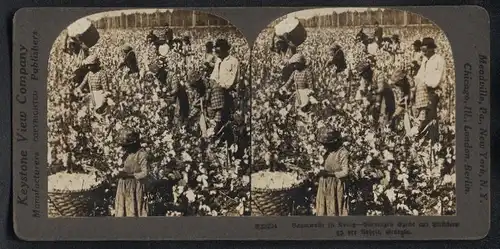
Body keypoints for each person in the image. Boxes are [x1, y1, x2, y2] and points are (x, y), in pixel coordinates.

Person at [414, 37, 446, 141]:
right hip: (424, 90)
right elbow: (419, 75)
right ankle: (425, 137)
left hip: (435, 91)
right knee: (423, 114)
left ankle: (434, 140)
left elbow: (436, 81)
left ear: (431, 49)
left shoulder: (439, 60)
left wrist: (424, 82)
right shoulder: (425, 60)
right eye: (422, 50)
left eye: (425, 50)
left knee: (431, 114)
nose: (423, 52)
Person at [208, 38, 240, 140]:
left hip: (228, 93)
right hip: (218, 93)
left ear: (225, 50)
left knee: (227, 120)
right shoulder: (218, 60)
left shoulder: (233, 61)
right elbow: (213, 76)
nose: (217, 53)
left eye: (218, 51)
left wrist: (220, 86)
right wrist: (213, 84)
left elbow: (232, 80)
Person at [114, 128, 149, 217]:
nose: (125, 148)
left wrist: (130, 175)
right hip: (124, 185)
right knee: (122, 210)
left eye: (127, 146)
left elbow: (145, 173)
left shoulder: (141, 154)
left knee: (133, 209)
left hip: (135, 186)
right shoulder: (127, 153)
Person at [315, 127, 349, 216]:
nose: (324, 146)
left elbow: (345, 172)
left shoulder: (342, 153)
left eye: (326, 144)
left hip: (335, 185)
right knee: (323, 209)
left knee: (334, 208)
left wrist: (329, 174)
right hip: (324, 183)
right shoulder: (327, 151)